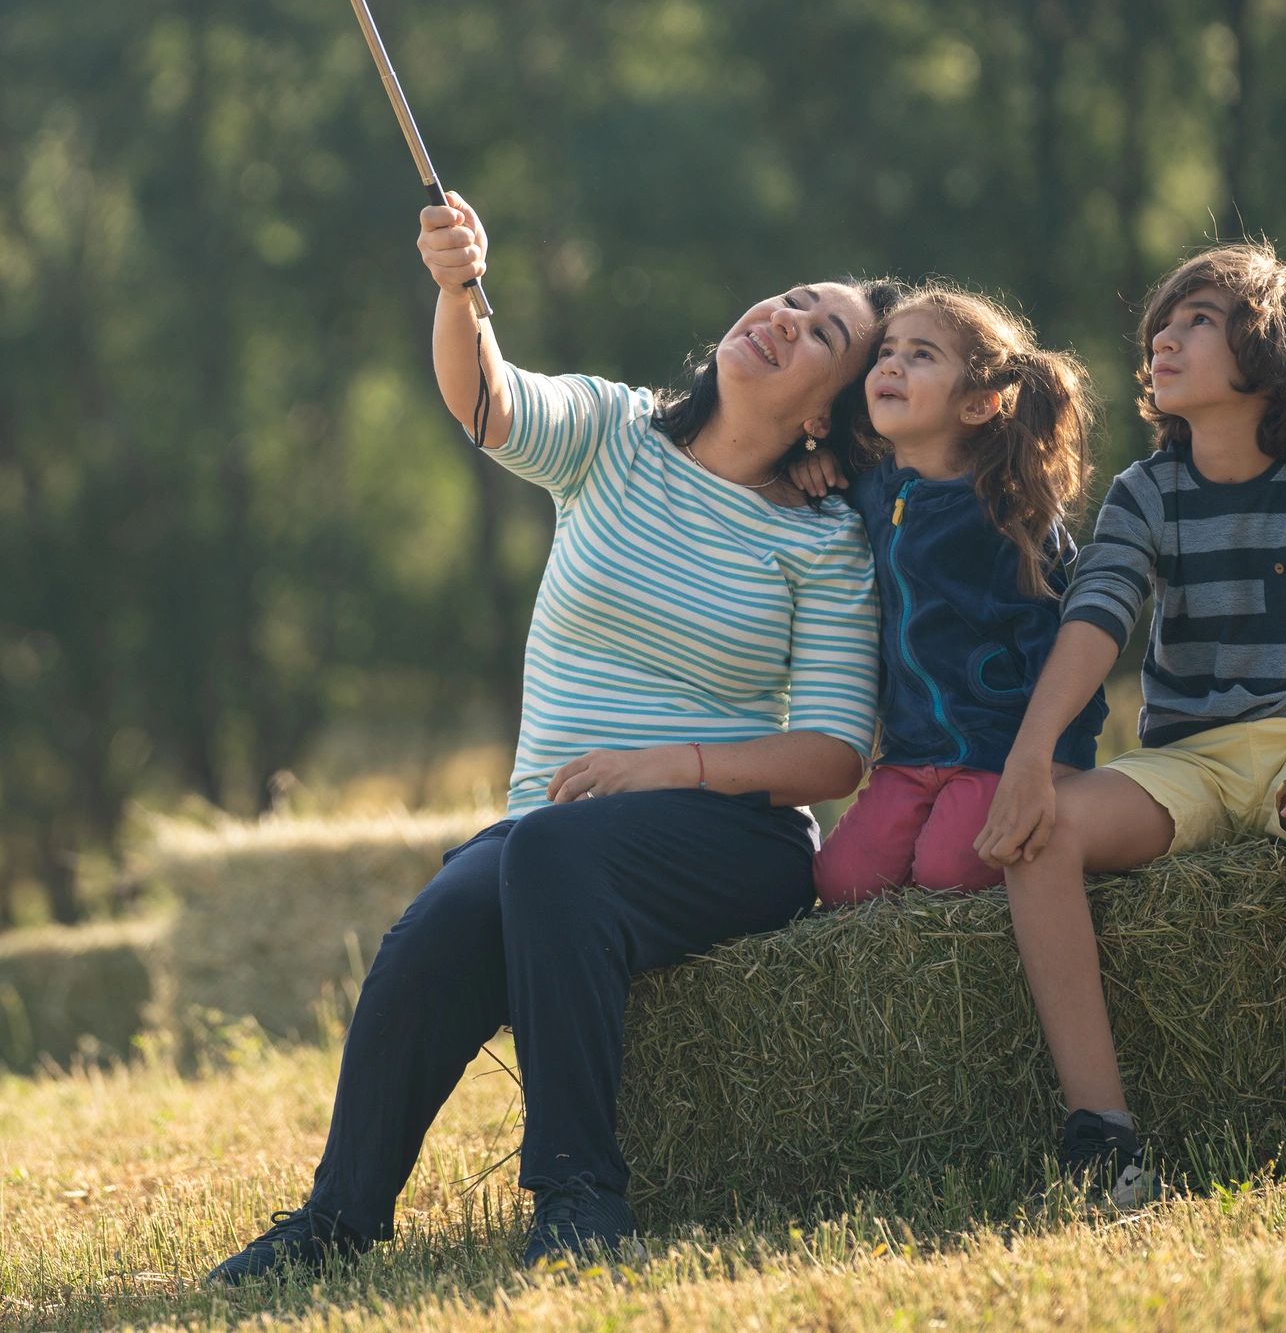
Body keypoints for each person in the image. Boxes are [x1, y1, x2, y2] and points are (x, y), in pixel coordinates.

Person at [208, 193, 893, 1282]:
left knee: (539, 851)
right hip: (555, 835)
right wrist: (457, 288)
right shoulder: (614, 432)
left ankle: (579, 1195)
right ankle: (338, 1218)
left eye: (822, 332)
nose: (785, 316)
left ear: (829, 413)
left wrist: (671, 766)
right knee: (439, 924)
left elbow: (832, 757)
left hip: (730, 841)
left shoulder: (824, 542)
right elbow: (487, 403)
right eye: (792, 299)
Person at [974, 241, 1286, 1204]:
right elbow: (1095, 623)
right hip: (1189, 759)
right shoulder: (1146, 491)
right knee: (1041, 834)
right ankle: (1105, 1138)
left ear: (1274, 352)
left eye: (1199, 321)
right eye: (1160, 327)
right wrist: (1031, 758)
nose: (1165, 339)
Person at [792, 285, 1107, 904]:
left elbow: (1064, 649)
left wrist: (1056, 763)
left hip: (999, 753)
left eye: (921, 356)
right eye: (886, 351)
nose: (890, 365)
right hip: (908, 754)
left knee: (948, 873)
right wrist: (811, 464)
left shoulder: (1011, 516)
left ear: (979, 404)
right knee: (842, 884)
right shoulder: (869, 492)